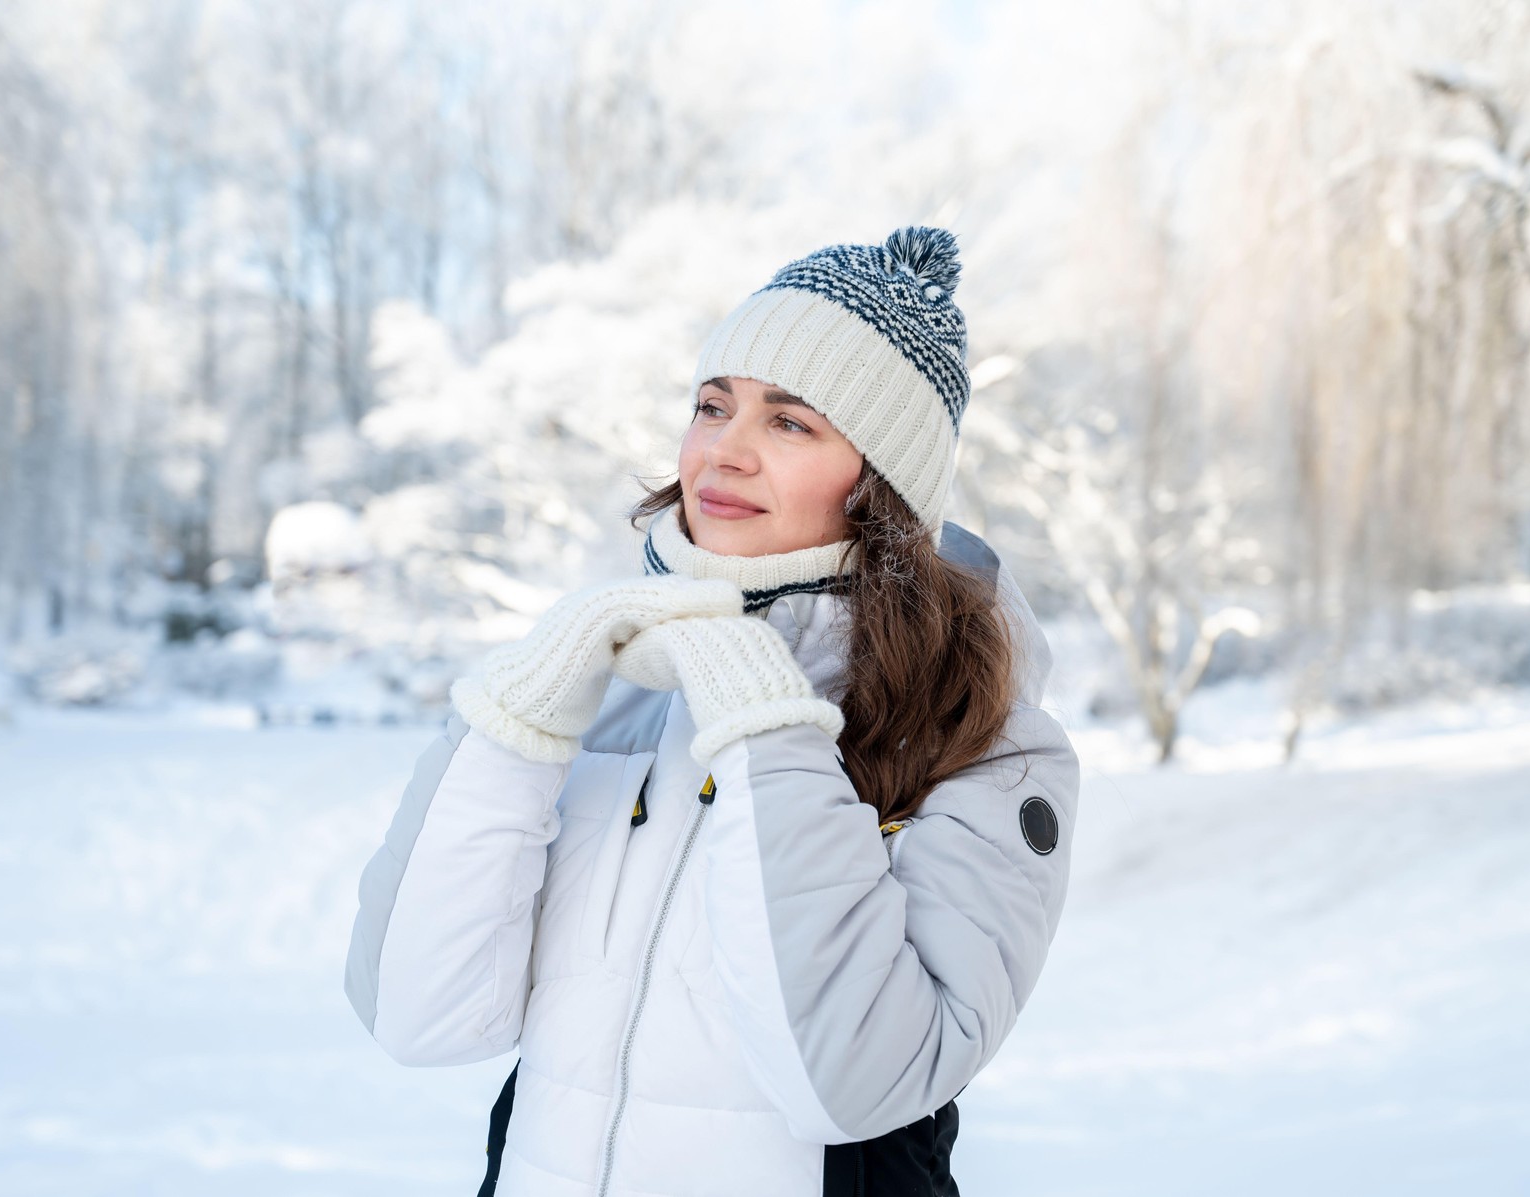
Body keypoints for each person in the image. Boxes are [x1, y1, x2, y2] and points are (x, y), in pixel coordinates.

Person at [343, 226, 1081, 1197]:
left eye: (791, 423)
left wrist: (766, 727)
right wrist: (514, 728)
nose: (723, 453)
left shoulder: (987, 750)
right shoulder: (624, 698)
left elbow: (858, 1086)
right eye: (711, 406)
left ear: (882, 484)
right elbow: (421, 1016)